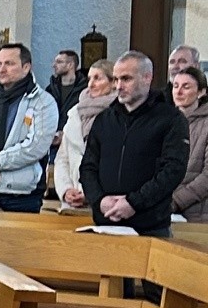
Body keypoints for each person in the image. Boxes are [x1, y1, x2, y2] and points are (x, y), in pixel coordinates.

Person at [80, 50, 189, 236]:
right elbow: (88, 166)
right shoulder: (104, 119)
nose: (119, 86)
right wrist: (99, 201)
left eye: (126, 79)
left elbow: (172, 170)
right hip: (105, 221)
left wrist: (133, 202)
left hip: (150, 226)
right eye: (116, 79)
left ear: (147, 78)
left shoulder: (170, 119)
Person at [0, 42, 58, 213]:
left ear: (26, 67)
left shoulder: (43, 102)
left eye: (9, 64)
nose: (2, 69)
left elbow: (35, 146)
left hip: (21, 194)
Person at [55, 59, 115, 207]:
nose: (91, 84)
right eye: (89, 79)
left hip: (105, 201)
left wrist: (91, 193)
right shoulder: (76, 112)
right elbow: (63, 158)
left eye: (97, 78)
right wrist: (66, 190)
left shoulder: (117, 113)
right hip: (74, 198)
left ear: (113, 82)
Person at [172, 64, 208, 222]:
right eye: (175, 86)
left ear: (201, 92)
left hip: (197, 213)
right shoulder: (165, 121)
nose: (178, 92)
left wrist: (176, 200)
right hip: (163, 208)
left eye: (186, 87)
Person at [46, 49, 83, 139]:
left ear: (70, 65)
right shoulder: (50, 89)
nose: (54, 65)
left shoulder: (84, 89)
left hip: (75, 138)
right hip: (52, 138)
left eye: (59, 62)